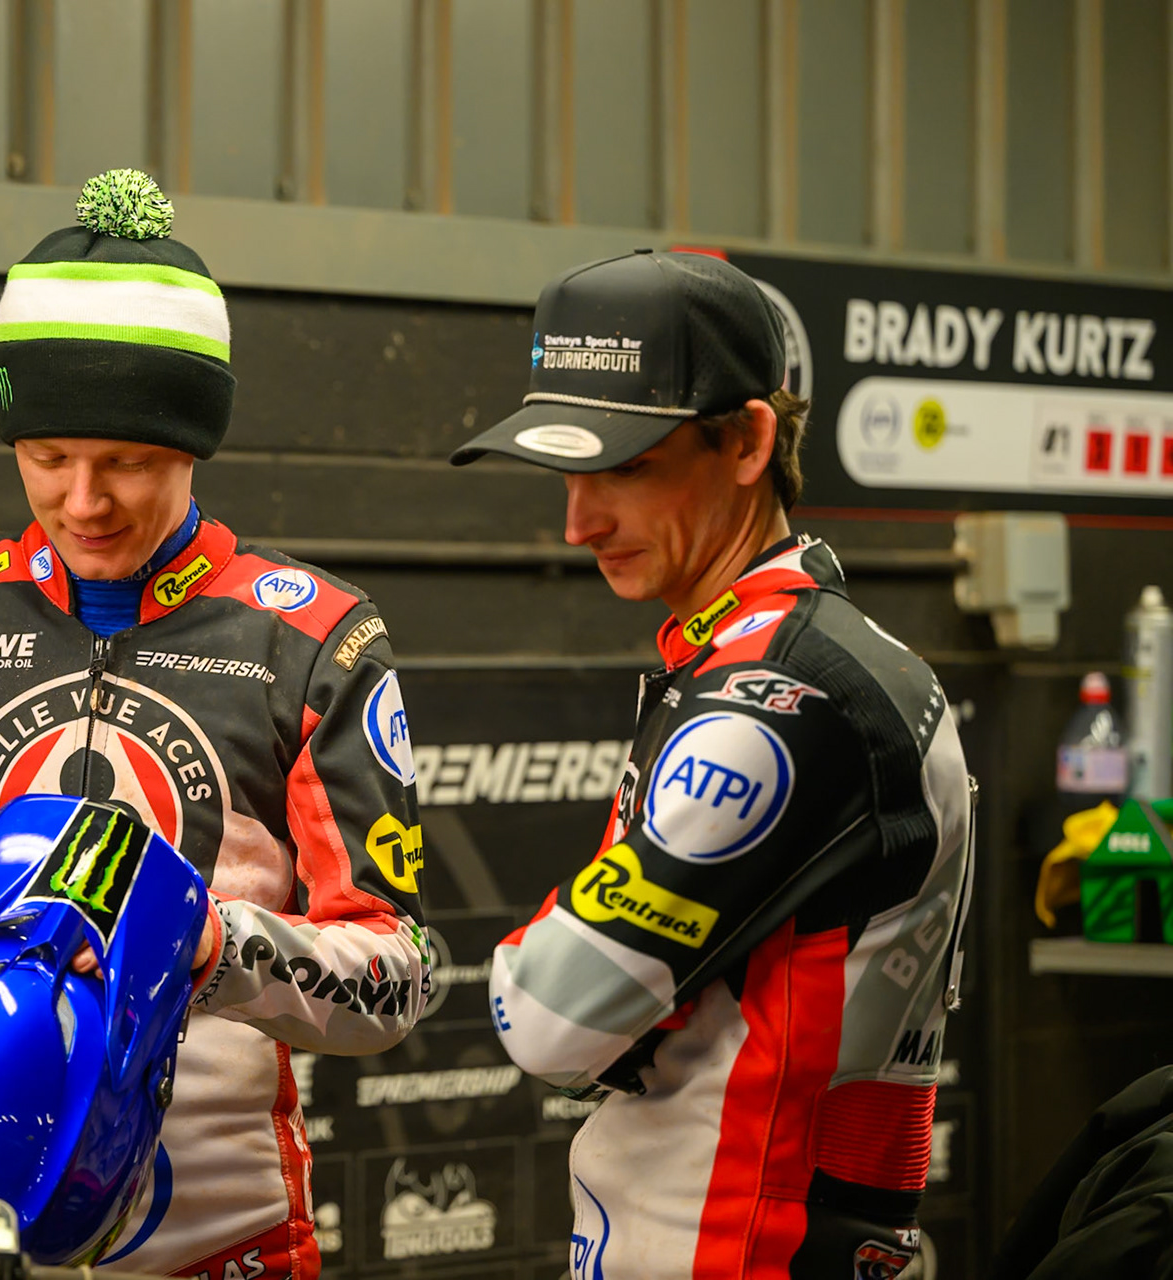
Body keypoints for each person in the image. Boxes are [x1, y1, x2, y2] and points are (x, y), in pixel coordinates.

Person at [0, 170, 429, 1280]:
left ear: (195, 445)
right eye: (48, 456)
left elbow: (399, 968)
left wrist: (217, 952)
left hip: (225, 1233)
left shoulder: (317, 635)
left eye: (129, 461)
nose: (84, 499)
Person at [450, 249, 974, 1280]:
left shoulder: (784, 698)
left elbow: (544, 1016)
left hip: (741, 1250)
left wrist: (539, 959)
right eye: (568, 471)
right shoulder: (780, 656)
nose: (579, 519)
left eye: (625, 467)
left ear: (747, 441)